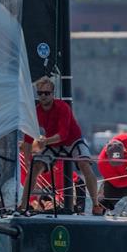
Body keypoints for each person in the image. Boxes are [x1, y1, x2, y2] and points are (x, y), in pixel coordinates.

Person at [20, 76, 102, 214]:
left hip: (73, 141)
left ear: (53, 94)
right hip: (54, 144)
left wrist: (45, 141)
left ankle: (96, 204)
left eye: (47, 93)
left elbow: (63, 134)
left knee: (85, 165)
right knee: (34, 168)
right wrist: (28, 159)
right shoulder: (37, 112)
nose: (43, 96)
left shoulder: (62, 107)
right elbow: (28, 139)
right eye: (40, 93)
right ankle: (23, 205)